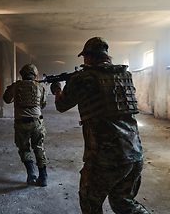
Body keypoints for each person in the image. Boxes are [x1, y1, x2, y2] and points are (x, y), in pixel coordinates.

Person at [50, 37, 149, 214]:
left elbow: (61, 105)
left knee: (90, 203)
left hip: (103, 159)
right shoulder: (124, 75)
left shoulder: (82, 78)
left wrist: (57, 89)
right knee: (123, 202)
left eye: (84, 57)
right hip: (134, 154)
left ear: (88, 56)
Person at [3, 64, 48, 187]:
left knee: (24, 149)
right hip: (37, 123)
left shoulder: (16, 86)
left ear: (22, 75)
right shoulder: (40, 86)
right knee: (39, 148)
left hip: (21, 124)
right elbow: (43, 104)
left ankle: (31, 173)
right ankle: (43, 177)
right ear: (35, 76)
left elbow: (6, 99)